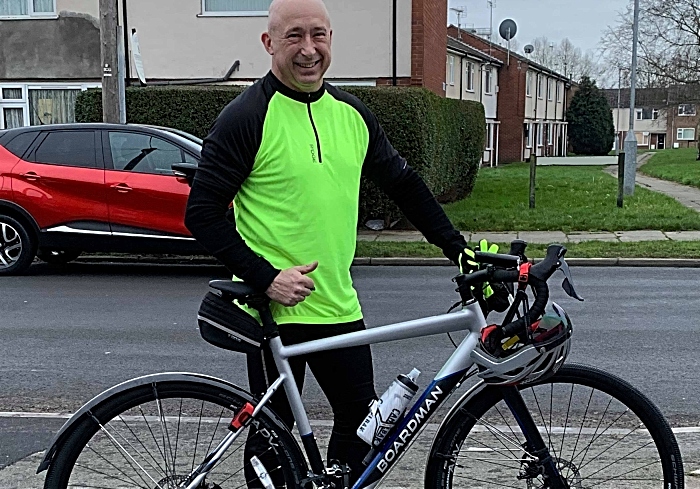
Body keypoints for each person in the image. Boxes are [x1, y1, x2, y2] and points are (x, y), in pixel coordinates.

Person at [184, 0, 479, 482]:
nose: (308, 50)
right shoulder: (246, 116)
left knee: (362, 431)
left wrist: (457, 248)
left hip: (339, 305)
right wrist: (266, 276)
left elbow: (404, 185)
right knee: (273, 441)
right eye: (293, 36)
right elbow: (202, 214)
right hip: (273, 309)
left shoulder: (352, 114)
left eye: (318, 35)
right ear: (268, 44)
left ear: (330, 40)